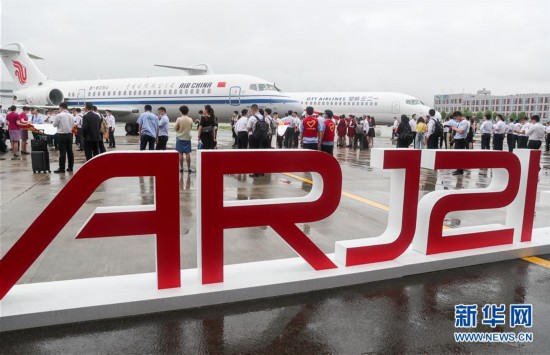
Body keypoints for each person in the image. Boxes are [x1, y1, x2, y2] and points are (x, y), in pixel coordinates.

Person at [52, 103, 75, 173]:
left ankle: (62, 168)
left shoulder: (59, 115)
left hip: (61, 135)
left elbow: (54, 124)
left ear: (61, 108)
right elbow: (73, 125)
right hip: (69, 135)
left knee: (62, 152)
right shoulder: (71, 115)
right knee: (70, 151)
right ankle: (70, 167)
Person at [174, 105, 194, 173]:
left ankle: (181, 168)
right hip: (187, 138)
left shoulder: (179, 119)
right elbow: (191, 127)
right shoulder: (190, 119)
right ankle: (189, 168)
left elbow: (175, 128)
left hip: (180, 138)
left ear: (181, 111)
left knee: (180, 153)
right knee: (187, 153)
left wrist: (178, 130)